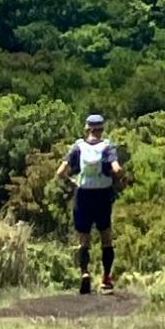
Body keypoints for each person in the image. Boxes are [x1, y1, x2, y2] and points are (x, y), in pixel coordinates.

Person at [56, 112, 123, 294]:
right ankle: (106, 280)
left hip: (83, 194)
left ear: (87, 128)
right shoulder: (108, 146)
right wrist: (117, 181)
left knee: (83, 239)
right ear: (102, 129)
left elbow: (60, 171)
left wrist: (72, 181)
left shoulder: (78, 146)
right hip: (102, 194)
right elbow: (117, 168)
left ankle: (85, 273)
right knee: (106, 237)